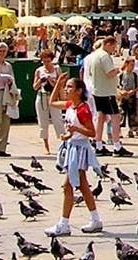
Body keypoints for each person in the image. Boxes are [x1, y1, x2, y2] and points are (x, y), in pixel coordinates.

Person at [43, 74, 104, 237]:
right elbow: (52, 103)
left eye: (70, 87)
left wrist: (75, 131)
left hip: (80, 150)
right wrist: (58, 84)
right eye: (66, 87)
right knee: (83, 185)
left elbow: (92, 132)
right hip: (72, 147)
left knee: (68, 186)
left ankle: (64, 224)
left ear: (78, 91)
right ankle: (95, 219)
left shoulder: (83, 109)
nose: (66, 89)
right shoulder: (71, 105)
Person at [84, 36, 130, 157]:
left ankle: (98, 144)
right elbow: (109, 73)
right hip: (106, 92)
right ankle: (117, 146)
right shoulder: (104, 56)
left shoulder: (93, 55)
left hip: (97, 90)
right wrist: (120, 68)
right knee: (115, 117)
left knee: (100, 117)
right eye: (114, 46)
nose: (114, 49)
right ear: (108, 44)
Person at [33, 48, 65, 154]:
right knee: (43, 122)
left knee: (58, 120)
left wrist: (52, 81)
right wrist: (41, 80)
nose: (46, 63)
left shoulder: (57, 69)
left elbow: (61, 84)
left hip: (54, 97)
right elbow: (35, 87)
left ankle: (63, 144)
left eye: (48, 61)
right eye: (44, 61)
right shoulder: (39, 70)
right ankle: (46, 146)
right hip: (42, 96)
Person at [117, 57, 138, 137]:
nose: (132, 67)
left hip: (131, 96)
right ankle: (119, 131)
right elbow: (118, 85)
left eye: (133, 65)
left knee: (132, 114)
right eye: (131, 65)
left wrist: (133, 91)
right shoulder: (121, 75)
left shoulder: (135, 75)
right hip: (123, 97)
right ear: (126, 64)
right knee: (121, 113)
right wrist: (121, 91)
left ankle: (131, 130)